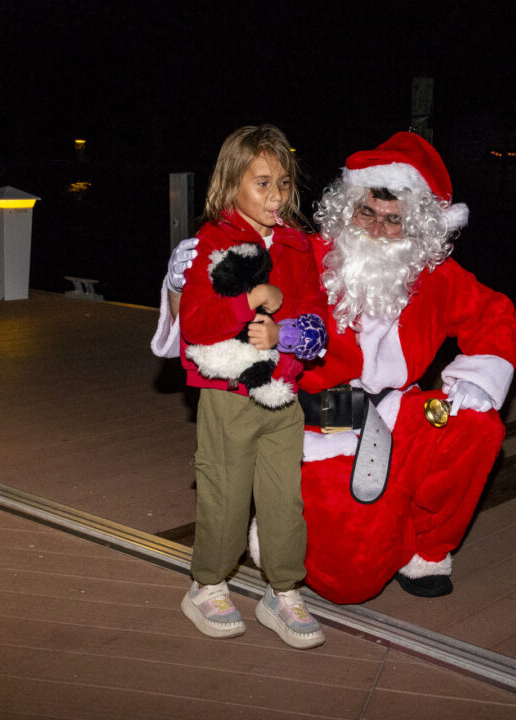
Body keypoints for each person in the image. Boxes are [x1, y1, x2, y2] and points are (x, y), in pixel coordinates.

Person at [155, 131, 516, 605]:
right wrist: (177, 287)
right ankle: (282, 528)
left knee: (474, 425)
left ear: (419, 227)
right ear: (346, 208)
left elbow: (497, 316)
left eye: (395, 220)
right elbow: (216, 310)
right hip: (323, 424)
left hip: (397, 412)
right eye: (366, 212)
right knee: (350, 580)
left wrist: (476, 378)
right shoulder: (302, 254)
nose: (377, 229)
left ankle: (426, 550)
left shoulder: (435, 273)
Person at [176, 124, 328, 648]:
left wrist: (282, 332)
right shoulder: (211, 243)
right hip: (228, 398)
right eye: (261, 183)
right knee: (226, 493)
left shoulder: (298, 245)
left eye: (282, 183)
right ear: (230, 183)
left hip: (283, 394)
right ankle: (208, 584)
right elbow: (195, 322)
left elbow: (316, 325)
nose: (275, 195)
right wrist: (250, 302)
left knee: (285, 499)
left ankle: (281, 590)